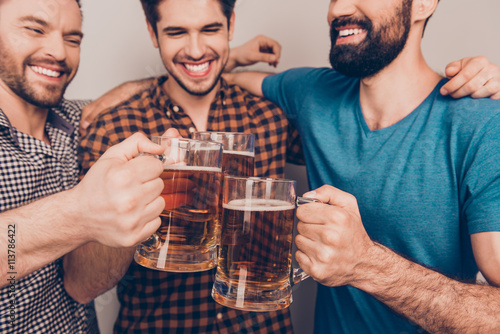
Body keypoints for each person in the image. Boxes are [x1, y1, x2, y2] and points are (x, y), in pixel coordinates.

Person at [227, 0, 500, 333]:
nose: (337, 8)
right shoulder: (314, 92)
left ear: (423, 4)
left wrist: (366, 264)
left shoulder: (483, 124)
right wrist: (234, 54)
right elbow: (209, 75)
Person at [67, 0, 304, 332]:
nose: (195, 50)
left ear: (230, 25)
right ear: (153, 32)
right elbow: (81, 283)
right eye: (176, 32)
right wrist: (131, 203)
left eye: (210, 29)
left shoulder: (272, 115)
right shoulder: (114, 128)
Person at [0, 0, 167, 332]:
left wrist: (224, 58)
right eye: (35, 29)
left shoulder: (83, 120)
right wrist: (80, 212)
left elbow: (170, 83)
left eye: (73, 39)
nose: (59, 51)